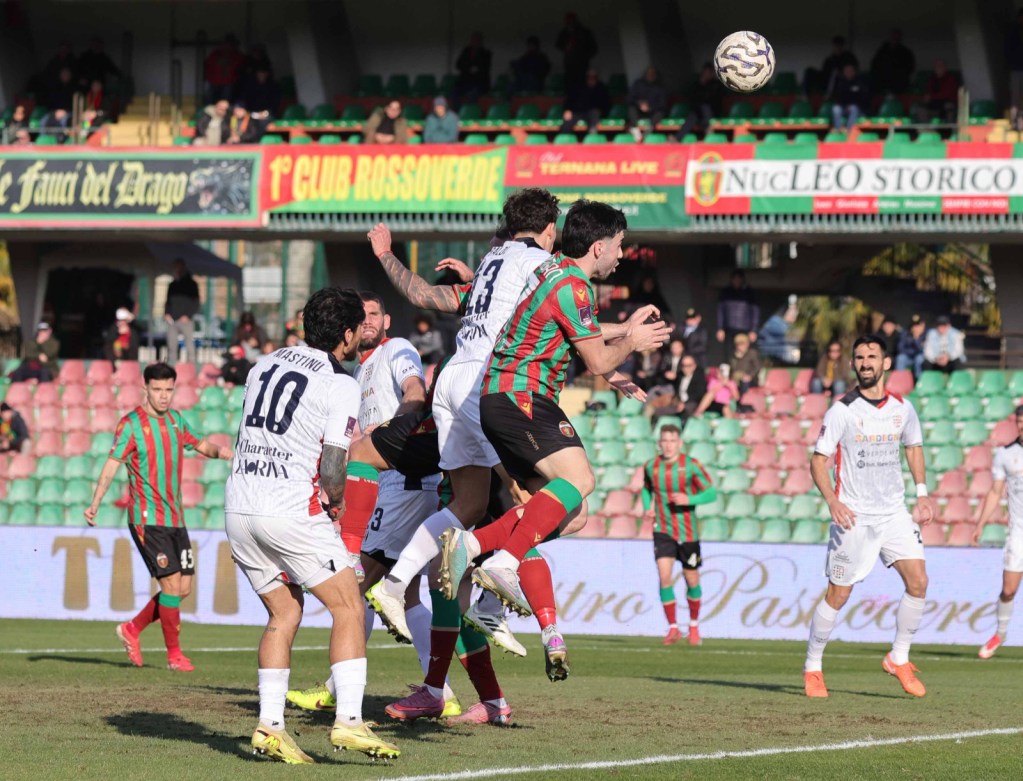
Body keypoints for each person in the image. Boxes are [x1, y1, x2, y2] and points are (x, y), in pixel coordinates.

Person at [434, 200, 670, 679]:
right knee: (581, 479)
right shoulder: (571, 284)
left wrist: (620, 342)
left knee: (574, 513)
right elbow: (598, 362)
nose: (622, 255)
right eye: (620, 246)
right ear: (599, 246)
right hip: (517, 393)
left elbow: (581, 342)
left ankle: (477, 556)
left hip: (505, 395)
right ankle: (499, 559)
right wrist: (632, 343)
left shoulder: (557, 272)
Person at [223, 288, 399, 763]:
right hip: (288, 508)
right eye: (358, 329)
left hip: (239, 507)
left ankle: (271, 727)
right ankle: (349, 721)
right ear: (345, 334)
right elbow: (334, 464)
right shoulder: (340, 382)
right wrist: (337, 502)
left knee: (284, 614)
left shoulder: (264, 363)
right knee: (348, 606)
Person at [804, 335, 936, 699]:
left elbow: (913, 447)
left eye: (871, 356)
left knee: (919, 582)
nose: (864, 363)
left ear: (886, 363)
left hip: (893, 512)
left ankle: (898, 657)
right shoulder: (842, 410)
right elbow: (818, 461)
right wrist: (832, 500)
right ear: (853, 364)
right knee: (838, 594)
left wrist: (922, 495)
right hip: (855, 517)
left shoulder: (903, 409)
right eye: (859, 357)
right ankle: (813, 667)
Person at [84, 362, 233, 673]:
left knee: (183, 588)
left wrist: (223, 452)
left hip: (176, 518)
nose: (164, 396)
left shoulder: (177, 421)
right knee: (170, 585)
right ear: (145, 390)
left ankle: (132, 628)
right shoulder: (131, 425)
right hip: (147, 518)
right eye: (157, 390)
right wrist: (95, 502)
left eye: (168, 390)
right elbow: (112, 464)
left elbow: (201, 444)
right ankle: (174, 655)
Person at [642, 425, 716, 646]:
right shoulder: (651, 466)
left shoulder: (691, 466)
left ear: (679, 443)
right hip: (662, 530)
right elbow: (646, 488)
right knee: (664, 576)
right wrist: (648, 507)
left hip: (688, 532)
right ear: (659, 443)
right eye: (664, 440)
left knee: (691, 578)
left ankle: (693, 626)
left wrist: (689, 499)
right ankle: (673, 628)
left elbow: (711, 492)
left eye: (672, 440)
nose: (668, 445)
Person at [972, 405, 1023, 659]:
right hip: (1019, 532)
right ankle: (1000, 633)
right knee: (1009, 589)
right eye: (1021, 422)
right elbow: (994, 492)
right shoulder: (1005, 454)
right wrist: (981, 523)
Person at [165, 260, 200, 365]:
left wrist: (188, 315)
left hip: (186, 320)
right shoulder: (172, 284)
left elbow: (196, 303)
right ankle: (171, 366)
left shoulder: (192, 284)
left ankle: (192, 367)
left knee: (189, 343)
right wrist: (166, 313)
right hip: (173, 319)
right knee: (172, 345)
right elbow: (168, 301)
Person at [716, 270, 759, 354]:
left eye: (739, 279)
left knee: (744, 351)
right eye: (735, 279)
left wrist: (753, 330)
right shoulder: (726, 292)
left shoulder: (749, 293)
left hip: (745, 328)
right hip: (729, 328)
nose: (737, 281)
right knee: (729, 352)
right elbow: (720, 311)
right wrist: (720, 328)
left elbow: (755, 312)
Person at [556, 12, 598, 95]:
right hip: (569, 66)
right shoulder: (564, 33)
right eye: (568, 22)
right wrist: (565, 47)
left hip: (582, 65)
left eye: (571, 21)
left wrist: (585, 56)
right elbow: (558, 44)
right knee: (570, 88)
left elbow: (594, 48)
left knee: (582, 87)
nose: (570, 24)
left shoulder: (584, 32)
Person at [680, 64, 724, 139]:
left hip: (713, 112)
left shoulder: (716, 85)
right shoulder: (696, 85)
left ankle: (707, 128)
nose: (707, 75)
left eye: (709, 73)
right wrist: (701, 84)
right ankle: (678, 138)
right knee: (693, 115)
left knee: (704, 108)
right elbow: (692, 98)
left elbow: (714, 100)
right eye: (706, 72)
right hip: (699, 112)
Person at [560, 68, 610, 134]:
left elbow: (606, 103)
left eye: (594, 77)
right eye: (589, 77)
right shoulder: (578, 87)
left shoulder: (601, 88)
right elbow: (570, 100)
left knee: (595, 113)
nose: (591, 79)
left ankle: (592, 137)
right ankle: (565, 139)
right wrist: (567, 110)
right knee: (567, 121)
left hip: (592, 113)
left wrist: (602, 112)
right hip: (577, 112)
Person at [627, 67, 668, 140]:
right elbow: (630, 98)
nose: (650, 75)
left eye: (652, 74)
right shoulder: (638, 84)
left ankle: (647, 132)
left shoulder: (660, 87)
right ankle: (635, 129)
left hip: (654, 111)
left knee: (660, 113)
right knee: (631, 108)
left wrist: (650, 108)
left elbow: (662, 104)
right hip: (639, 110)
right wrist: (640, 104)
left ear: (656, 75)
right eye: (649, 73)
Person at [869, 29, 915, 94]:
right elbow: (874, 65)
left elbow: (910, 68)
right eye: (893, 36)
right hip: (882, 81)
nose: (894, 38)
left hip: (898, 82)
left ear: (900, 38)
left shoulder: (905, 52)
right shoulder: (882, 51)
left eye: (896, 36)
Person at [453, 32, 492, 107]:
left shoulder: (486, 53)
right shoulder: (466, 51)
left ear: (481, 41)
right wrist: (469, 68)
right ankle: (457, 113)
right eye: (473, 40)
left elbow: (484, 69)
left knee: (471, 95)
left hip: (479, 83)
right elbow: (458, 65)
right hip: (465, 81)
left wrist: (470, 68)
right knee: (454, 92)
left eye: (477, 40)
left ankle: (468, 113)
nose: (475, 42)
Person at [204, 34, 245, 103]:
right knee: (210, 100)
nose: (227, 46)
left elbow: (238, 68)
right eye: (226, 43)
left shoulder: (237, 55)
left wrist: (228, 63)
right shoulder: (216, 53)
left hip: (228, 82)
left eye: (230, 44)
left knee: (225, 102)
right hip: (214, 81)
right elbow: (209, 64)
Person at [831, 63, 871, 131]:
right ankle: (838, 129)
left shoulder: (860, 82)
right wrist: (844, 105)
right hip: (845, 108)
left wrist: (853, 104)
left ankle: (849, 130)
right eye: (846, 71)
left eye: (850, 71)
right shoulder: (841, 83)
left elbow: (865, 99)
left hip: (859, 109)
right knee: (836, 108)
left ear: (854, 72)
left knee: (853, 108)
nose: (848, 73)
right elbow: (838, 98)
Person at [1007, 9, 1023, 123]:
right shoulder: (1013, 32)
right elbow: (1008, 51)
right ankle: (1015, 123)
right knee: (1016, 99)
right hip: (1016, 69)